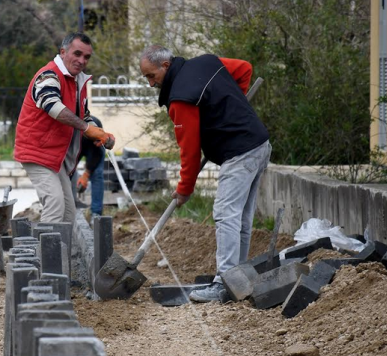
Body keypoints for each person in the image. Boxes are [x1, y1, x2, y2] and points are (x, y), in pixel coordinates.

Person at [139, 45, 271, 302]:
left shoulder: (180, 98)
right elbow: (244, 69)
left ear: (165, 66)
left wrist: (185, 189)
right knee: (241, 217)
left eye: (150, 75)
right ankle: (238, 279)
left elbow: (188, 150)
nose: (150, 83)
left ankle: (224, 283)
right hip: (259, 145)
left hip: (240, 153)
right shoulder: (207, 62)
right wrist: (229, 107)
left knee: (225, 214)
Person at [14, 32, 115, 225]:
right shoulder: (48, 75)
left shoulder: (78, 82)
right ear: (63, 52)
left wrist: (100, 134)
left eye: (86, 57)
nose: (81, 60)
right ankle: (47, 256)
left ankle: (64, 256)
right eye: (77, 54)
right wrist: (87, 128)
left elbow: (83, 116)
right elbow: (52, 105)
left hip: (56, 157)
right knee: (55, 204)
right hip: (37, 152)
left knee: (69, 212)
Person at [73, 116, 105, 217]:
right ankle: (70, 205)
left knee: (97, 174)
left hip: (94, 148)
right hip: (75, 147)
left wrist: (86, 175)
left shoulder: (94, 129)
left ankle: (96, 213)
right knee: (68, 172)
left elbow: (96, 154)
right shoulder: (68, 129)